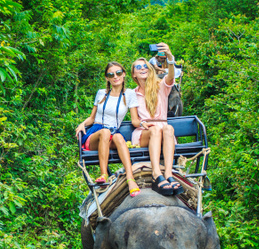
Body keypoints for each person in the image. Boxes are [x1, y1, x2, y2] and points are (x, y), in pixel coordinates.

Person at [75, 62, 142, 197]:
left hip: (112, 133)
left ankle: (130, 179)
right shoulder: (101, 93)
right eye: (111, 74)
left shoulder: (129, 94)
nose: (115, 77)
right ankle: (103, 174)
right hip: (96, 134)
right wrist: (82, 124)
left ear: (123, 74)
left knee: (118, 137)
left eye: (118, 73)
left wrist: (145, 123)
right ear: (107, 78)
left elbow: (134, 120)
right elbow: (92, 118)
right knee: (105, 132)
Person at [130, 43, 184, 196]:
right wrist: (144, 123)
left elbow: (171, 76)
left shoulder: (161, 86)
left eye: (145, 66)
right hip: (145, 131)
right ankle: (156, 173)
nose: (142, 69)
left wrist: (170, 57)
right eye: (138, 67)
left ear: (150, 69)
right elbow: (134, 121)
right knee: (155, 129)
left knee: (168, 128)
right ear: (134, 74)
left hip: (163, 129)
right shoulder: (132, 94)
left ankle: (168, 174)